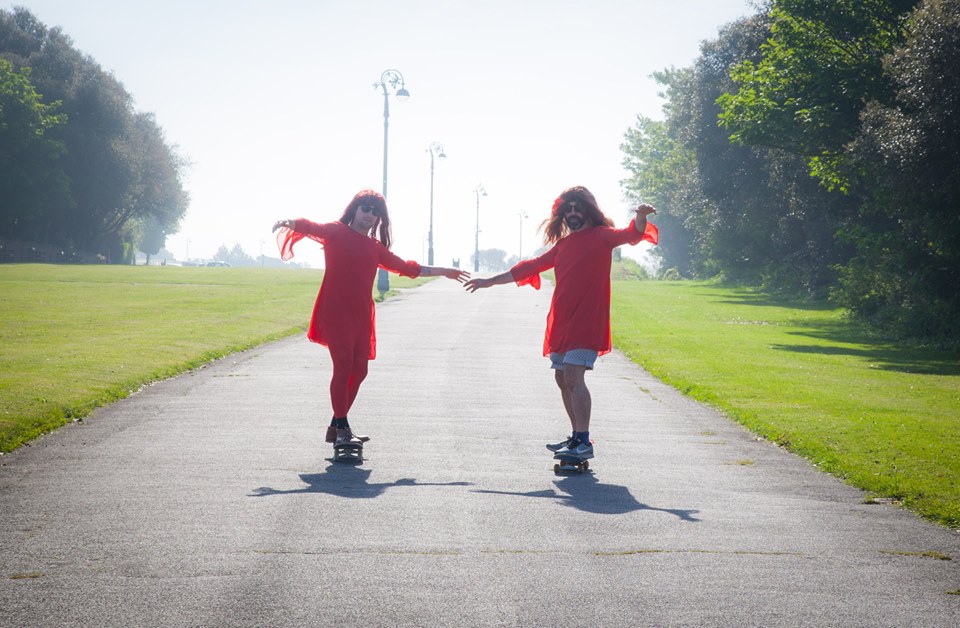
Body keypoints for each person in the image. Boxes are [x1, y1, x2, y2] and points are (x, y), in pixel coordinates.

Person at [463, 186, 657, 460]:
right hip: (563, 322)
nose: (573, 213)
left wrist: (640, 215)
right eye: (569, 210)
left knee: (575, 376)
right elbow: (527, 268)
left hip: (587, 321)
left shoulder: (602, 236)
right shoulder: (562, 246)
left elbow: (632, 234)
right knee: (561, 377)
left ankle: (583, 440)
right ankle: (576, 435)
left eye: (578, 208)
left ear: (588, 210)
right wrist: (488, 281)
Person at [273, 189, 469, 447]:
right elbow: (313, 227)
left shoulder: (375, 248)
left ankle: (336, 425)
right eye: (366, 208)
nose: (370, 214)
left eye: (375, 212)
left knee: (360, 370)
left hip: (361, 315)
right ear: (355, 208)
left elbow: (408, 268)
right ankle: (343, 429)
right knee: (342, 366)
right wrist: (291, 222)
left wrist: (445, 271)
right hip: (335, 311)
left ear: (379, 219)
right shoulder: (336, 231)